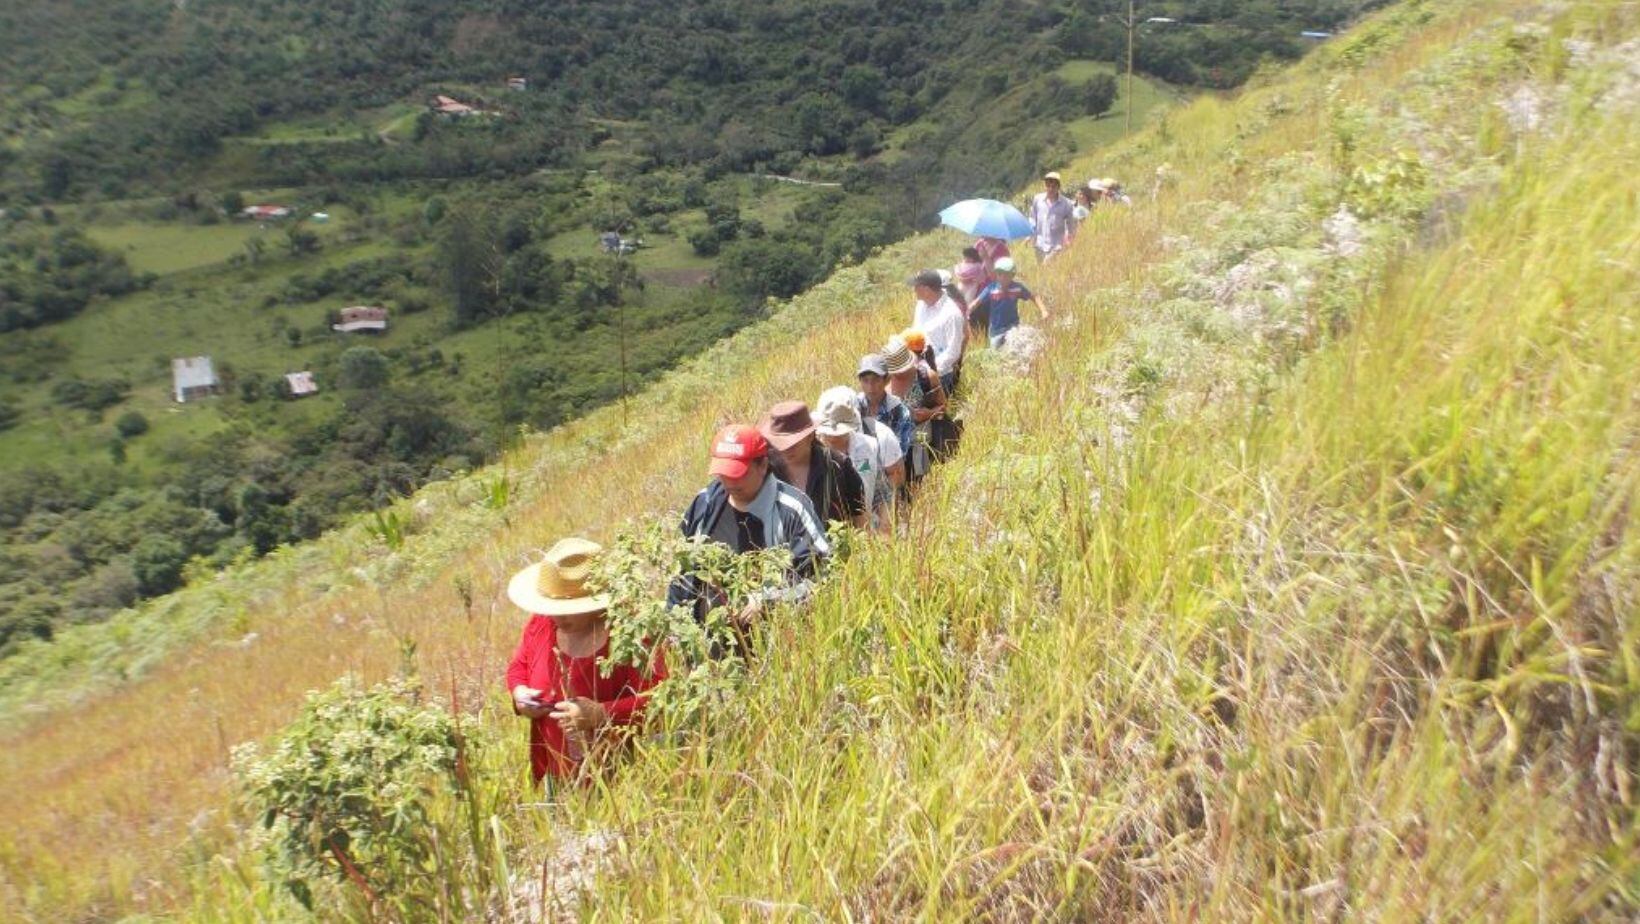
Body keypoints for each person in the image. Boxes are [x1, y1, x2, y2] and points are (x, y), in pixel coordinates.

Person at [506, 537, 667, 786]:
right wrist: (520, 695)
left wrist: (600, 713)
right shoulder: (542, 622)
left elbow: (661, 699)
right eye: (553, 607)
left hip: (618, 780)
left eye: (568, 609)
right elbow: (520, 666)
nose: (557, 617)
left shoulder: (630, 633)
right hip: (554, 773)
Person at [667, 424, 831, 632]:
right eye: (723, 474)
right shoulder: (705, 503)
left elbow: (823, 578)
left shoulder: (792, 509)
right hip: (707, 648)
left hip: (774, 645)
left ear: (762, 465)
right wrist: (674, 625)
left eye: (738, 474)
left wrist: (770, 601)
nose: (729, 482)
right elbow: (682, 572)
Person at [759, 400, 867, 533]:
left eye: (793, 443)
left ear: (810, 436)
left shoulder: (838, 465)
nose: (785, 449)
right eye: (780, 442)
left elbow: (860, 518)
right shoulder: (763, 468)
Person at [814, 386, 904, 532]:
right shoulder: (812, 455)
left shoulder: (868, 447)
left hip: (867, 533)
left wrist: (884, 529)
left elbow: (882, 493)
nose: (835, 436)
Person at [883, 335, 947, 483]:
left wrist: (928, 414)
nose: (900, 374)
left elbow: (943, 408)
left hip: (921, 433)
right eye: (896, 371)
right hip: (895, 440)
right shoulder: (883, 381)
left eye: (903, 369)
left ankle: (921, 485)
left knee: (920, 451)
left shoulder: (926, 376)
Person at [969, 256, 1051, 347]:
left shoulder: (1017, 288)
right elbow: (976, 302)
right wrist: (966, 313)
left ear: (1012, 275)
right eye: (1000, 274)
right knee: (996, 352)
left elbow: (1034, 296)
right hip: (996, 330)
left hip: (1013, 327)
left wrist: (1044, 311)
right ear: (997, 274)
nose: (1003, 278)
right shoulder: (991, 288)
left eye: (1007, 275)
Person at [910, 269, 966, 396]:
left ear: (926, 290)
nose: (913, 290)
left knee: (934, 413)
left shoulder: (951, 314)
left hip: (939, 376)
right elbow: (916, 331)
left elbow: (953, 352)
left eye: (916, 287)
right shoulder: (920, 305)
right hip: (916, 371)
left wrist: (930, 372)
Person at [855, 353, 914, 460]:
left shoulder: (899, 411)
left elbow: (900, 453)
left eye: (876, 380)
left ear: (886, 380)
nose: (870, 387)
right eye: (865, 380)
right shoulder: (854, 406)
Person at [1029, 171, 1076, 263]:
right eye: (1048, 186)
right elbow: (1032, 218)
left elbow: (1070, 225)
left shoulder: (1066, 204)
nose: (1050, 189)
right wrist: (1029, 234)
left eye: (1053, 186)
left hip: (1056, 245)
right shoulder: (1038, 199)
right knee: (1041, 270)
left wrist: (1069, 240)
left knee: (1047, 266)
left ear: (1058, 187)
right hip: (1039, 244)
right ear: (1045, 186)